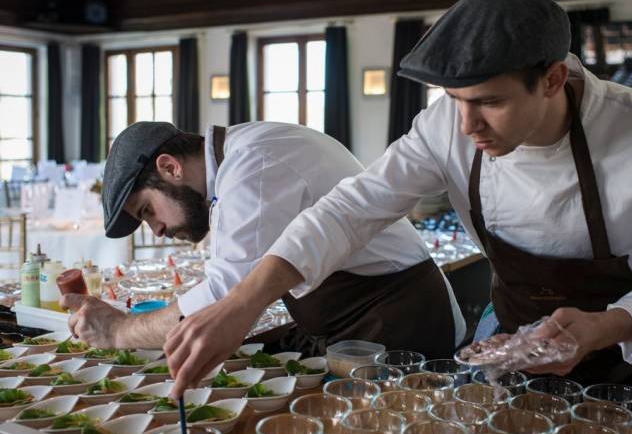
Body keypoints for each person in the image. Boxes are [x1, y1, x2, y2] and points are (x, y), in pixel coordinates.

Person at [162, 0, 632, 424]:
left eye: (489, 103)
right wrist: (240, 304)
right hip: (514, 350)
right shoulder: (444, 129)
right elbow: (350, 209)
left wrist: (602, 327)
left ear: (553, 79)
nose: (467, 126)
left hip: (627, 362)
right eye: (454, 102)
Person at [62, 121, 466, 359]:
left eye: (147, 211)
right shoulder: (237, 158)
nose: (158, 230)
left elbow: (224, 299)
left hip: (396, 325)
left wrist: (119, 331)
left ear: (169, 168)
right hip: (359, 322)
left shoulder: (252, 166)